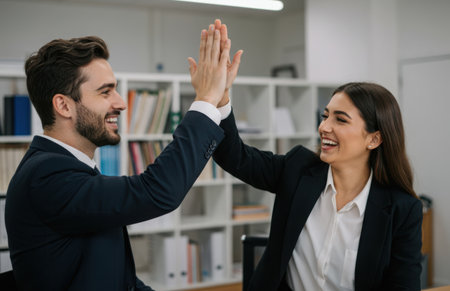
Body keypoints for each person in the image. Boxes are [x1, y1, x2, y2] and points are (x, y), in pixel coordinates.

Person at [5, 20, 242, 291]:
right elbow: (158, 191)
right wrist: (206, 100)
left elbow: (119, 277)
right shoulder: (46, 175)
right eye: (106, 92)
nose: (120, 103)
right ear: (63, 105)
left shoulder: (69, 167)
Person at [211, 68, 422, 289]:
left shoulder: (403, 210)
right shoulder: (297, 169)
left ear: (374, 139)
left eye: (340, 120)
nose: (323, 127)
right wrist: (220, 97)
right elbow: (236, 157)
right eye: (325, 116)